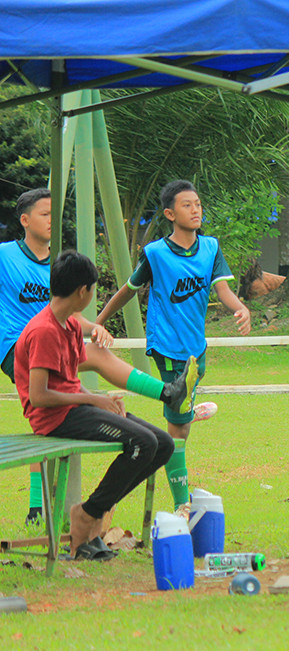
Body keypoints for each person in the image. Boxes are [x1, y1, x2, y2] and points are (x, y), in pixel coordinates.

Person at [0, 188, 199, 524]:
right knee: (51, 412)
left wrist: (95, 328)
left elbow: (66, 311)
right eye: (45, 214)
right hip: (18, 346)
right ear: (24, 220)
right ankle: (47, 507)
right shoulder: (6, 256)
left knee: (99, 356)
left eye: (55, 214)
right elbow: (41, 391)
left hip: (57, 339)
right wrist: (92, 398)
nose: (52, 221)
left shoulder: (62, 264)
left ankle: (168, 392)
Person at [98, 180, 251, 517]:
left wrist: (240, 308)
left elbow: (222, 290)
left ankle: (186, 411)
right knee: (177, 425)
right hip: (167, 346)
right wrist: (100, 319)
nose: (195, 210)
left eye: (197, 204)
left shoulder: (211, 248)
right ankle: (181, 503)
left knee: (181, 424)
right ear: (169, 213)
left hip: (198, 347)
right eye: (187, 205)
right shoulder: (155, 253)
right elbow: (128, 289)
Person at [14, 250, 175, 559]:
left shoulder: (71, 326)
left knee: (163, 443)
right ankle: (88, 516)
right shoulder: (44, 330)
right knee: (141, 442)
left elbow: (68, 382)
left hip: (75, 409)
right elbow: (40, 396)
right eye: (93, 290)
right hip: (54, 419)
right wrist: (93, 398)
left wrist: (99, 402)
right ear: (82, 291)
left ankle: (92, 513)